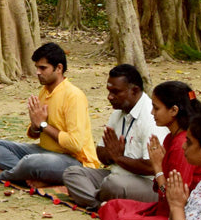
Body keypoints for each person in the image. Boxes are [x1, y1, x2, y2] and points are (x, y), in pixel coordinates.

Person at [97, 81, 201, 220]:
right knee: (111, 206)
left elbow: (174, 201)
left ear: (174, 111)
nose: (152, 112)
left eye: (156, 108)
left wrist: (157, 168)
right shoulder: (171, 138)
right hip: (162, 210)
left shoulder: (182, 145)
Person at [0, 42, 97, 187]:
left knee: (31, 161)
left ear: (59, 68)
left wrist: (43, 125)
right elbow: (35, 133)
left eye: (43, 68)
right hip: (43, 152)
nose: (38, 72)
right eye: (37, 68)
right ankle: (29, 175)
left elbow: (75, 144)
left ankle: (4, 175)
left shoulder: (74, 96)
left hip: (74, 161)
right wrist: (36, 125)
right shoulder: (44, 92)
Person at [62, 64, 157, 209]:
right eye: (109, 91)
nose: (110, 97)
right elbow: (100, 152)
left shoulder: (151, 117)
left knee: (112, 185)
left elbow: (151, 166)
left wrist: (119, 158)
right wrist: (113, 155)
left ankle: (96, 200)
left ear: (134, 90)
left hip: (146, 183)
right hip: (115, 174)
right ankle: (102, 206)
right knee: (72, 173)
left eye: (116, 92)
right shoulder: (117, 113)